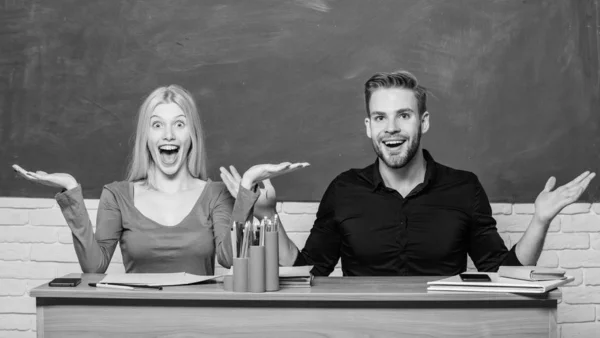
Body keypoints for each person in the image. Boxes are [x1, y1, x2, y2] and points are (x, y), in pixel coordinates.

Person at [220, 71, 595, 276]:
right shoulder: (344, 189)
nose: (392, 128)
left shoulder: (464, 188)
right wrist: (268, 215)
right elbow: (307, 273)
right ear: (368, 127)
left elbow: (504, 274)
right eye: (380, 117)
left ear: (424, 122)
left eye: (404, 115)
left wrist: (540, 221)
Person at [13, 85, 308, 275]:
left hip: (201, 325)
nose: (168, 134)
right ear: (147, 137)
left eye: (179, 124)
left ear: (191, 136)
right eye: (158, 125)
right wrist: (70, 192)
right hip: (136, 325)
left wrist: (246, 189)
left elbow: (230, 259)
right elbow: (94, 267)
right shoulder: (116, 195)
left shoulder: (216, 194)